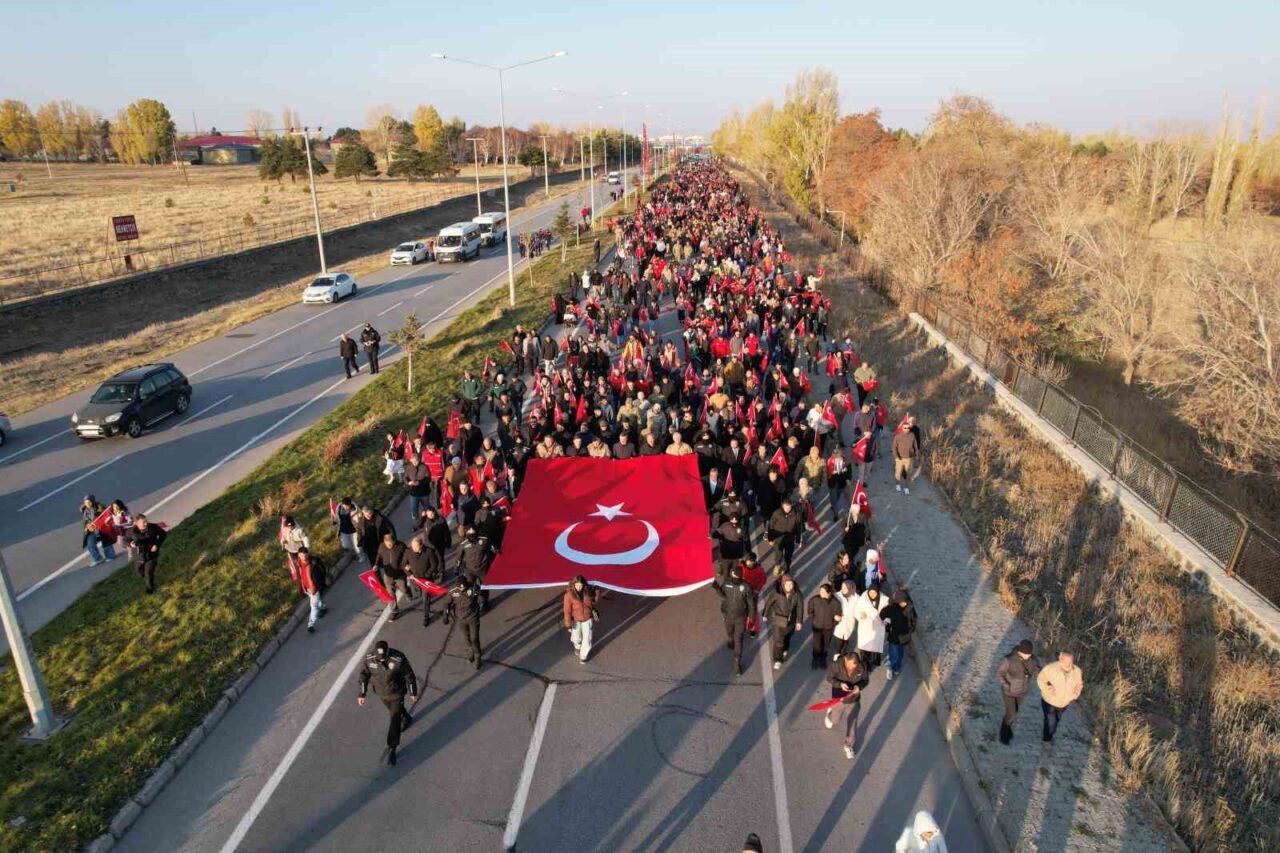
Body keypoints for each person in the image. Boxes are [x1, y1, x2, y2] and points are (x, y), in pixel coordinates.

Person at [357, 640, 418, 766]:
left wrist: (413, 692)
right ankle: (406, 717)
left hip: (396, 693)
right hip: (381, 693)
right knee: (395, 711)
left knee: (394, 719)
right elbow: (364, 675)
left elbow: (409, 675)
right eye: (379, 659)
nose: (381, 661)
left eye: (383, 659)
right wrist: (362, 693)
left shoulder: (398, 659)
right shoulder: (370, 659)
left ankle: (392, 747)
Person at [826, 651, 869, 759]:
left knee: (852, 722)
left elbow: (865, 680)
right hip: (838, 698)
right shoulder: (836, 665)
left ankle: (848, 745)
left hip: (853, 699)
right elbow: (829, 678)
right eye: (850, 665)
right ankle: (830, 715)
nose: (853, 668)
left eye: (855, 666)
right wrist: (840, 684)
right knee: (835, 721)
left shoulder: (862, 667)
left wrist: (859, 687)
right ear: (845, 660)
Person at [997, 639, 1041, 744]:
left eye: (1029, 654)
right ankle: (1004, 734)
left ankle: (1008, 729)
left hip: (1022, 691)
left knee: (1015, 711)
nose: (1028, 656)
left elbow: (1036, 669)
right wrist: (1007, 685)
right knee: (1011, 712)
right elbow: (1000, 673)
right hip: (1009, 692)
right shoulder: (1008, 660)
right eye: (1026, 654)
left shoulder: (1033, 659)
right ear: (1020, 651)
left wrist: (1042, 674)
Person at [716, 562, 757, 676]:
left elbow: (751, 604)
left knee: (738, 639)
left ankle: (736, 662)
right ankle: (730, 640)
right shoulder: (727, 583)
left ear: (734, 574)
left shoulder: (746, 587)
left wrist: (751, 618)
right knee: (730, 634)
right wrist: (715, 586)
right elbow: (723, 595)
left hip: (740, 618)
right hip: (728, 615)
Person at [1036, 650, 1083, 743]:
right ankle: (1047, 739)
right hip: (1049, 701)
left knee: (1057, 719)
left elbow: (1079, 684)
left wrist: (1075, 695)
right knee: (1050, 721)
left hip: (1064, 702)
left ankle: (1049, 732)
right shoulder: (1051, 668)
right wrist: (1048, 690)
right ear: (1060, 659)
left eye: (1070, 661)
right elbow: (1040, 680)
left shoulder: (1076, 671)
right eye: (1065, 661)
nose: (1068, 664)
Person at [762, 574, 803, 670]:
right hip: (778, 620)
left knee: (788, 636)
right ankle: (778, 660)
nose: (789, 586)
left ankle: (785, 649)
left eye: (791, 584)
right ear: (783, 584)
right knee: (778, 641)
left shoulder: (797, 593)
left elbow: (800, 607)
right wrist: (765, 614)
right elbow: (769, 603)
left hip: (791, 620)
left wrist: (799, 621)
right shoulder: (777, 593)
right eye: (787, 584)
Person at [403, 536, 444, 626]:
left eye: (415, 547)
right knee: (420, 595)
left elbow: (434, 564)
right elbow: (403, 564)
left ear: (421, 545)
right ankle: (427, 600)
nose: (413, 549)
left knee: (425, 599)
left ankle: (426, 617)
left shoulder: (429, 552)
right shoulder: (408, 552)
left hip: (426, 580)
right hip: (415, 580)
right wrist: (409, 574)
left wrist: (426, 575)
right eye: (412, 546)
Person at [446, 573, 484, 669]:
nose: (462, 589)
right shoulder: (454, 592)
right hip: (461, 618)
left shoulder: (472, 588)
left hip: (473, 617)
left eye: (464, 587)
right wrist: (445, 613)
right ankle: (471, 651)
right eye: (460, 587)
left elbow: (480, 594)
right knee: (466, 637)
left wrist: (478, 594)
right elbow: (447, 602)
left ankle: (477, 656)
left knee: (474, 638)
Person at [374, 532, 413, 620]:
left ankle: (408, 592)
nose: (389, 546)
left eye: (390, 544)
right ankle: (395, 611)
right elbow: (379, 556)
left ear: (394, 541)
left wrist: (408, 565)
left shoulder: (401, 546)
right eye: (387, 544)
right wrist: (376, 564)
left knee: (403, 589)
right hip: (388, 575)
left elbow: (408, 555)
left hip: (399, 574)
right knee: (390, 594)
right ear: (384, 542)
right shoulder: (381, 547)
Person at [562, 575, 598, 664]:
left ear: (584, 585)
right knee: (576, 638)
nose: (579, 587)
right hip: (576, 620)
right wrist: (568, 625)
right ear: (574, 584)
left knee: (587, 639)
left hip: (588, 619)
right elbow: (567, 611)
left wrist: (597, 593)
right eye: (577, 585)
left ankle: (583, 656)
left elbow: (594, 601)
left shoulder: (588, 591)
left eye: (581, 585)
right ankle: (577, 646)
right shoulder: (568, 595)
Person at [127, 513, 166, 594]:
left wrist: (157, 545)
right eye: (143, 522)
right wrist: (130, 544)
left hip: (151, 554)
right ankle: (147, 579)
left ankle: (150, 590)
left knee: (148, 573)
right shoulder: (131, 531)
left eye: (146, 521)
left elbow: (163, 534)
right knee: (139, 572)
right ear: (137, 523)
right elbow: (124, 540)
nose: (146, 523)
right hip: (139, 556)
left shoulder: (153, 527)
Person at [882, 589, 916, 680]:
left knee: (900, 654)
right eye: (900, 602)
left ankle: (896, 667)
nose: (902, 604)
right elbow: (883, 614)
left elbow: (914, 619)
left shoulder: (910, 608)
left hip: (904, 636)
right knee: (894, 653)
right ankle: (890, 667)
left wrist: (911, 629)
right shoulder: (891, 607)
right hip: (893, 635)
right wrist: (887, 624)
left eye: (903, 602)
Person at [293, 547, 328, 633]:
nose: (304, 558)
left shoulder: (314, 562)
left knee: (313, 606)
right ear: (298, 555)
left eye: (305, 555)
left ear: (308, 553)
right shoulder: (298, 563)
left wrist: (321, 582)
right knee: (317, 600)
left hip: (314, 588)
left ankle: (310, 624)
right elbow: (298, 575)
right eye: (301, 556)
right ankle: (323, 607)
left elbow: (322, 570)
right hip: (306, 588)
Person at [853, 583, 887, 672]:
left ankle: (873, 662)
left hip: (877, 627)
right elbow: (856, 611)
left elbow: (888, 612)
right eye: (870, 592)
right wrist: (860, 615)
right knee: (865, 647)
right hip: (866, 627)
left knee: (874, 647)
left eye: (874, 593)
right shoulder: (862, 599)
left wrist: (886, 620)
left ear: (878, 593)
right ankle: (864, 664)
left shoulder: (884, 600)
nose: (872, 594)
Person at [765, 499, 803, 575]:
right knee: (778, 555)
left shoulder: (796, 514)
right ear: (782, 506)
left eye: (789, 507)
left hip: (790, 539)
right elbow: (771, 526)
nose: (787, 509)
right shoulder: (777, 513)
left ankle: (786, 568)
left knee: (788, 556)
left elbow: (798, 528)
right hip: (778, 539)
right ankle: (777, 566)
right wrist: (770, 539)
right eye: (786, 507)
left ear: (791, 506)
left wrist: (798, 540)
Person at [806, 583, 840, 669]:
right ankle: (815, 659)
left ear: (829, 593)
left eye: (823, 592)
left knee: (826, 644)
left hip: (828, 627)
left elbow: (838, 615)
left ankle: (823, 659)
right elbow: (810, 610)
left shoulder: (835, 602)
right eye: (820, 591)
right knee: (816, 644)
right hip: (817, 626)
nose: (821, 593)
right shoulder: (815, 600)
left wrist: (833, 623)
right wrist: (813, 618)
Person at [893, 416, 921, 495]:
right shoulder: (898, 436)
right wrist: (896, 457)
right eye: (905, 428)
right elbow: (894, 447)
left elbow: (915, 445)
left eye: (908, 428)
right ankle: (898, 485)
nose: (906, 429)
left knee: (908, 474)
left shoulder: (912, 435)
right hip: (900, 458)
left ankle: (906, 487)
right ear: (902, 428)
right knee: (898, 473)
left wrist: (917, 453)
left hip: (909, 458)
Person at [832, 580, 858, 658]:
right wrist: (834, 616)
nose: (842, 589)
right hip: (839, 621)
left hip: (850, 622)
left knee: (846, 639)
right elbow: (830, 607)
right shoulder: (837, 595)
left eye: (845, 587)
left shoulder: (856, 598)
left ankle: (843, 655)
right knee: (839, 639)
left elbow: (860, 609)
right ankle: (837, 654)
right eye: (842, 587)